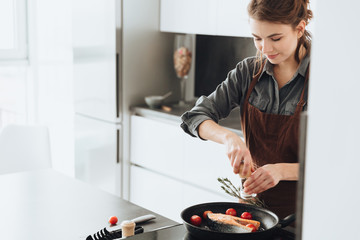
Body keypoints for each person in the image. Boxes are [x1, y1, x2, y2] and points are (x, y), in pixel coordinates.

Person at [180, 0, 312, 218]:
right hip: (252, 210)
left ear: (299, 29)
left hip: (305, 215)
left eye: (275, 38)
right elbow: (195, 116)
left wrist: (281, 171)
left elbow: (339, 160)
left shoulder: (326, 77)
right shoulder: (248, 71)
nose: (265, 48)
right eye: (257, 38)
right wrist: (228, 138)